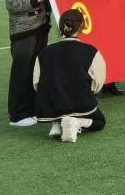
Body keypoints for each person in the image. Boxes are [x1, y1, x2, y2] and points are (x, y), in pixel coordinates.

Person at [33, 9, 107, 142]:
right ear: (82, 26)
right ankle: (77, 122)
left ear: (61, 26)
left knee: (58, 97)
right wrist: (89, 92)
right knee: (100, 122)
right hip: (80, 103)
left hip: (49, 106)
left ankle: (57, 123)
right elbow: (98, 82)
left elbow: (36, 83)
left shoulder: (44, 52)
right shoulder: (91, 51)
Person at [5, 0, 52, 128]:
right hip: (24, 32)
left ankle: (33, 109)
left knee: (36, 71)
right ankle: (18, 115)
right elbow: (11, 5)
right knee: (22, 72)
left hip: (41, 29)